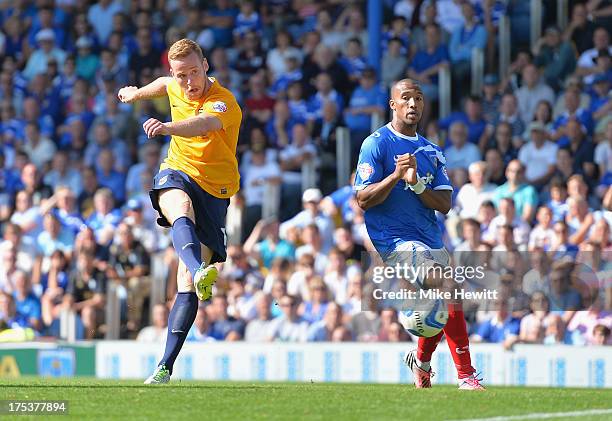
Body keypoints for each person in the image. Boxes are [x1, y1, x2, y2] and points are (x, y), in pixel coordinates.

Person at [117, 38, 242, 384]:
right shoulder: (174, 82)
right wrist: (136, 93)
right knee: (178, 206)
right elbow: (163, 85)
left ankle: (166, 366)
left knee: (185, 284)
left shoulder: (224, 103)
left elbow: (201, 125)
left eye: (192, 73)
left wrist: (166, 127)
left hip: (216, 190)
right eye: (180, 74)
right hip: (178, 170)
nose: (186, 82)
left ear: (205, 65)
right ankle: (197, 269)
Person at [354, 79, 484, 390]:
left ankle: (421, 362)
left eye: (419, 99)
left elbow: (445, 204)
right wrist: (396, 176)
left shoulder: (432, 150)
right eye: (406, 98)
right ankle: (466, 375)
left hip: (429, 238)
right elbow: (363, 199)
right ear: (393, 104)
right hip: (393, 239)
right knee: (450, 287)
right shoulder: (376, 143)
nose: (413, 104)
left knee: (442, 303)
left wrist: (415, 183)